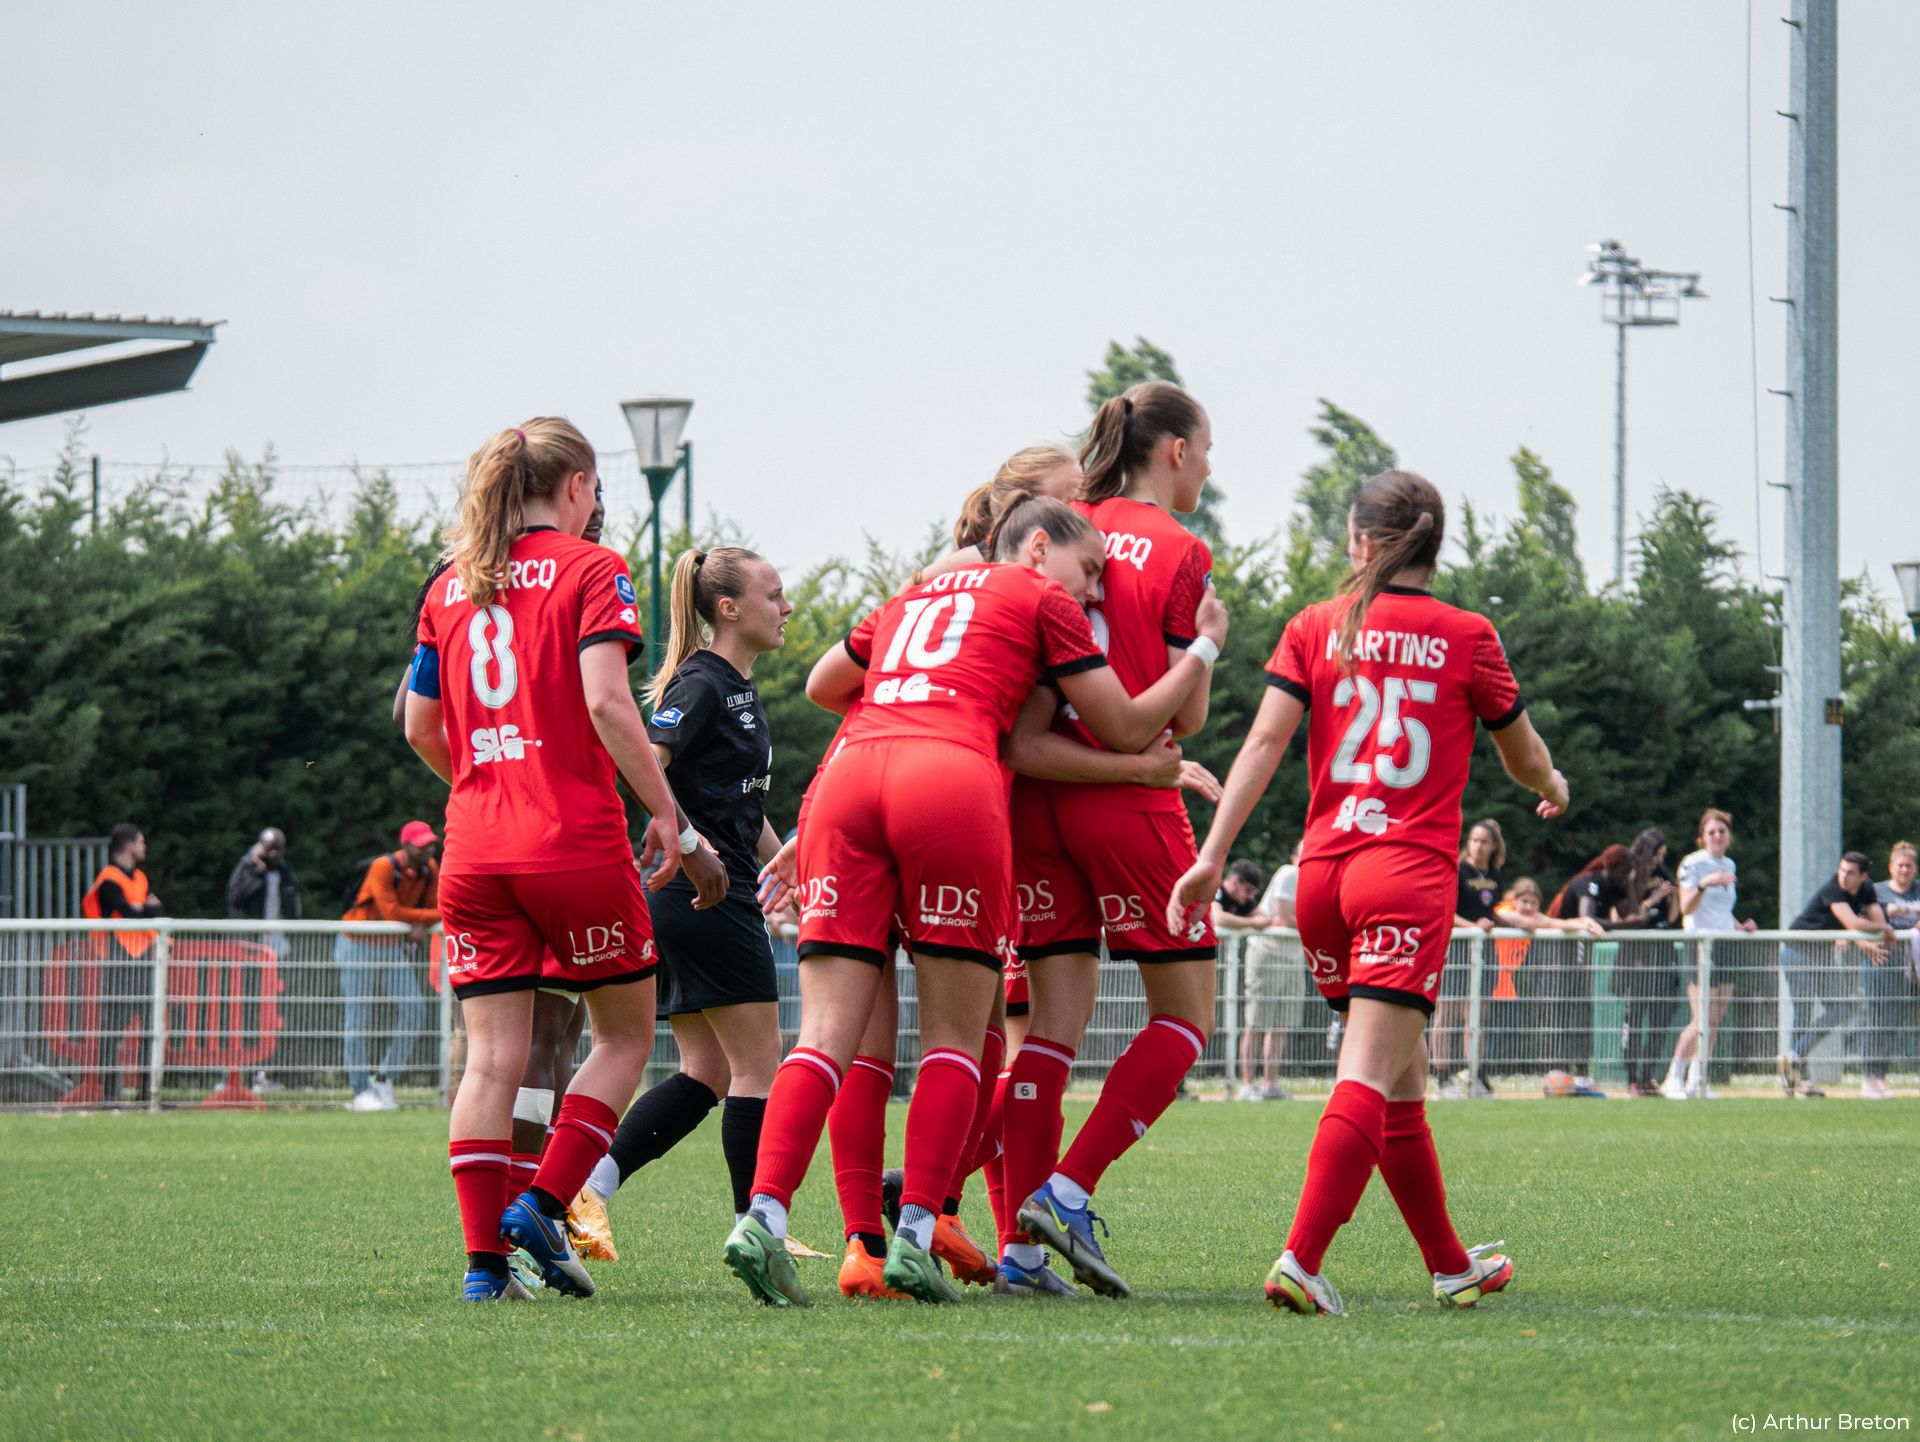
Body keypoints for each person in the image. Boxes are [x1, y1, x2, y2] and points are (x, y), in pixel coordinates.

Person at [724, 494, 1227, 1308]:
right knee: (958, 1037)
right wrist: (1203, 645)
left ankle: (763, 1215)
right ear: (1037, 545)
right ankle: (917, 1232)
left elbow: (826, 684)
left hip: (851, 776)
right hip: (950, 779)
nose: (1096, 591)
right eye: (1090, 568)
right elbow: (1128, 724)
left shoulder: (916, 592)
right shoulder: (1043, 598)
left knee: (823, 1035)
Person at [1169, 468, 1569, 1317]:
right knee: (1368, 1073)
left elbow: (1263, 745)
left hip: (1323, 879)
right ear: (1434, 546)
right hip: (1404, 878)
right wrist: (1554, 785)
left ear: (1358, 542)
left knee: (1401, 1081)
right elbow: (1524, 757)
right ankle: (1301, 1259)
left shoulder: (1315, 625)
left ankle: (1451, 1265)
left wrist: (1212, 855)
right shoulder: (1467, 634)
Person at [405, 415, 688, 1303]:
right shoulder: (593, 568)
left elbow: (417, 726)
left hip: (474, 848)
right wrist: (667, 812)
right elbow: (608, 701)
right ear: (576, 486)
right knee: (624, 1036)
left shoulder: (452, 582)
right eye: (594, 488)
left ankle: (483, 1269)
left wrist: (487, 781)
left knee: (490, 1061)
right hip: (571, 841)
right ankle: (543, 1204)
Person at [1004, 382, 1225, 1302]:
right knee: (1185, 1016)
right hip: (1126, 793)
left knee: (1048, 1028)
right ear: (1173, 451)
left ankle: (1016, 1254)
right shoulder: (1181, 548)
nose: (1208, 467)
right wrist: (1205, 648)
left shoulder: (1065, 519)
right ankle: (1066, 1192)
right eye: (1206, 449)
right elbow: (1192, 716)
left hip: (1034, 793)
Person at [575, 544, 806, 1259]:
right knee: (759, 1064)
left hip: (707, 888)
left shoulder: (735, 685)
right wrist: (690, 841)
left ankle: (589, 1189)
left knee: (708, 1069)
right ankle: (758, 1226)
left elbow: (742, 803)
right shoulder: (703, 682)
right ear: (728, 609)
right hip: (704, 891)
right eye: (774, 595)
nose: (787, 606)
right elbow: (648, 761)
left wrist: (784, 866)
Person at [337, 822, 441, 1112]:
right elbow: (391, 910)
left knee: (415, 1008)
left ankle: (385, 1077)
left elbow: (438, 906)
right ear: (405, 845)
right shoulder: (383, 866)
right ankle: (360, 1090)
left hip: (390, 946)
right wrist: (422, 920)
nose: (427, 850)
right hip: (357, 943)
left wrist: (420, 922)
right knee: (357, 1019)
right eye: (421, 845)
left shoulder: (430, 869)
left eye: (430, 845)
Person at [1662, 808, 1759, 1099]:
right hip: (1700, 945)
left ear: (1729, 836)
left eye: (1722, 831)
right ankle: (1673, 1077)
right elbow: (1687, 907)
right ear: (1702, 837)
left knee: (1715, 1018)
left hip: (1725, 943)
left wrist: (1740, 926)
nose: (1717, 836)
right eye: (1711, 832)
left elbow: (1721, 911)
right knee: (1701, 1017)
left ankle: (1698, 1079)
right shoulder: (1693, 863)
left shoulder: (1729, 864)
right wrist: (1705, 883)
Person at [1778, 851, 1889, 1099]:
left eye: (1850, 873)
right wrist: (1882, 929)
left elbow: (1873, 919)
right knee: (1803, 1012)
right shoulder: (1833, 889)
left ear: (1863, 876)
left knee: (1842, 1007)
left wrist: (1873, 938)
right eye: (1842, 870)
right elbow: (1855, 924)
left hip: (1823, 952)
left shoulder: (1867, 888)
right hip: (1798, 951)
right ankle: (1799, 1081)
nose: (1843, 876)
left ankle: (1794, 1056)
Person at [75, 824, 166, 1106]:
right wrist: (145, 909)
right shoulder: (109, 878)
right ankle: (110, 1094)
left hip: (144, 955)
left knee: (152, 1027)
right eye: (141, 842)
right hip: (119, 955)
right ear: (128, 846)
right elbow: (129, 912)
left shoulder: (139, 878)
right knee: (114, 1028)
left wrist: (143, 909)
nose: (144, 847)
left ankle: (148, 1094)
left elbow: (155, 911)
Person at [1543, 845, 1640, 1078]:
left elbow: (1632, 914)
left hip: (1581, 953)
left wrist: (1629, 885)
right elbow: (1587, 920)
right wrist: (1624, 925)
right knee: (1562, 1008)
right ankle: (1558, 1069)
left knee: (1583, 1008)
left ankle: (1582, 1072)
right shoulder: (1590, 883)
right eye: (1624, 872)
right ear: (1610, 868)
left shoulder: (1616, 886)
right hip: (1559, 949)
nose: (1626, 877)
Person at [1488, 878, 1604, 1071]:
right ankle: (1477, 1068)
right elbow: (1534, 922)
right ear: (1515, 900)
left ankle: (1479, 1069)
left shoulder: (1534, 917)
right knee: (1500, 1025)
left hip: (1505, 980)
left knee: (1507, 1026)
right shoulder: (1504, 911)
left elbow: (1552, 922)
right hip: (1490, 976)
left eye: (1533, 903)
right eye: (1524, 901)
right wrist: (1578, 925)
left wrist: (1585, 922)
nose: (1529, 907)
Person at [1433, 819, 1505, 1099]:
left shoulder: (1495, 875)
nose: (1478, 846)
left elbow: (1491, 911)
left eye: (1484, 842)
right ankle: (1442, 1078)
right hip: (1457, 949)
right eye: (1474, 840)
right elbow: (1446, 911)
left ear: (1494, 846)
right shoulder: (1458, 871)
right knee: (1447, 1014)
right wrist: (1473, 928)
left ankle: (1476, 1075)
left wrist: (1515, 922)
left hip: (1484, 951)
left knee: (1476, 1016)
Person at [1613, 828, 1681, 1097]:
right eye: (1655, 855)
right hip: (1637, 953)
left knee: (1661, 1015)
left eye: (1662, 855)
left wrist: (1673, 897)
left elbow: (1673, 917)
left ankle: (1648, 1077)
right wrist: (1655, 898)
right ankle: (1632, 1079)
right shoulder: (1629, 874)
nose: (1658, 861)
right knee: (1635, 1016)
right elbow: (1629, 914)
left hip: (1662, 951)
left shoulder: (1663, 873)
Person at [1240, 843, 1304, 1101]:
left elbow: (1288, 920)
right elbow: (1284, 918)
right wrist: (1312, 924)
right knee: (1256, 1022)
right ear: (1295, 857)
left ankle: (1269, 1086)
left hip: (1294, 956)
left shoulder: (1316, 881)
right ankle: (1247, 1086)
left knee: (1280, 1025)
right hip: (1267, 953)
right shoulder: (1290, 873)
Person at [1863, 842, 1920, 1099]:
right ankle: (1873, 1077)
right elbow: (1858, 921)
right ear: (1891, 867)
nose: (1904, 870)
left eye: (1909, 866)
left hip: (1915, 964)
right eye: (1900, 865)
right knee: (1882, 1020)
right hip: (1885, 965)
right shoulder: (1876, 892)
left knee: (1898, 1022)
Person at [225, 829, 301, 949]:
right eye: (271, 848)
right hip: (249, 937)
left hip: (277, 937)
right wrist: (257, 872)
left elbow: (293, 902)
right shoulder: (246, 867)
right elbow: (235, 898)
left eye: (278, 849)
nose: (274, 853)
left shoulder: (284, 871)